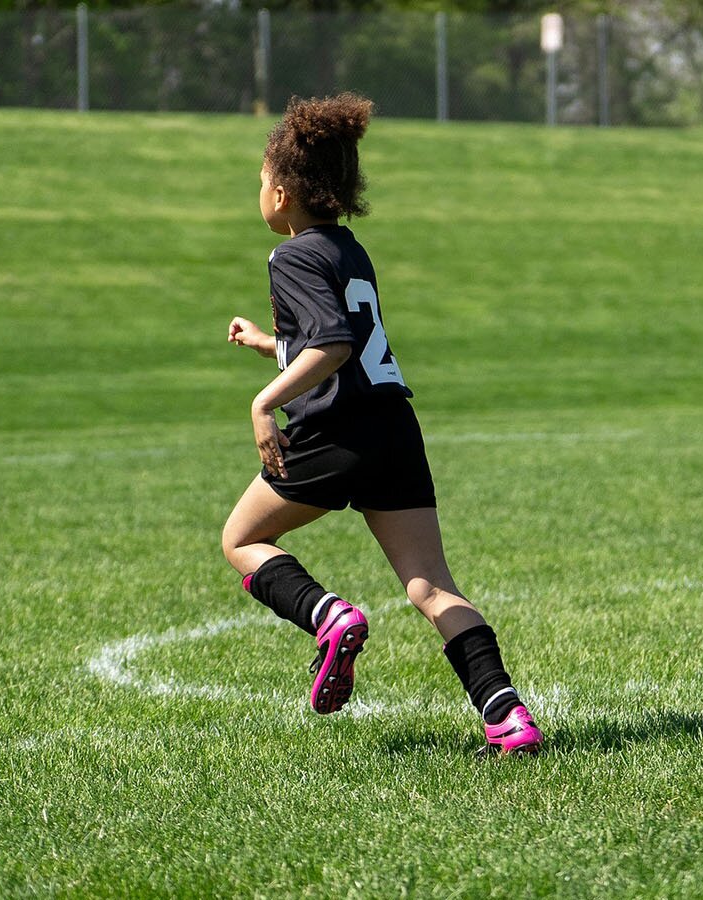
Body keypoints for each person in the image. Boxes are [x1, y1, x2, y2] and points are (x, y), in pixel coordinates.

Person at [220, 93, 543, 756]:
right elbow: (341, 342)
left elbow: (333, 345)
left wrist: (262, 404)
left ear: (281, 194)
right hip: (393, 427)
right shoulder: (348, 249)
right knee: (431, 585)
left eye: (260, 181)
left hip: (334, 431)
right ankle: (507, 717)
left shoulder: (289, 257)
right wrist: (270, 344)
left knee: (242, 539)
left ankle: (328, 616)